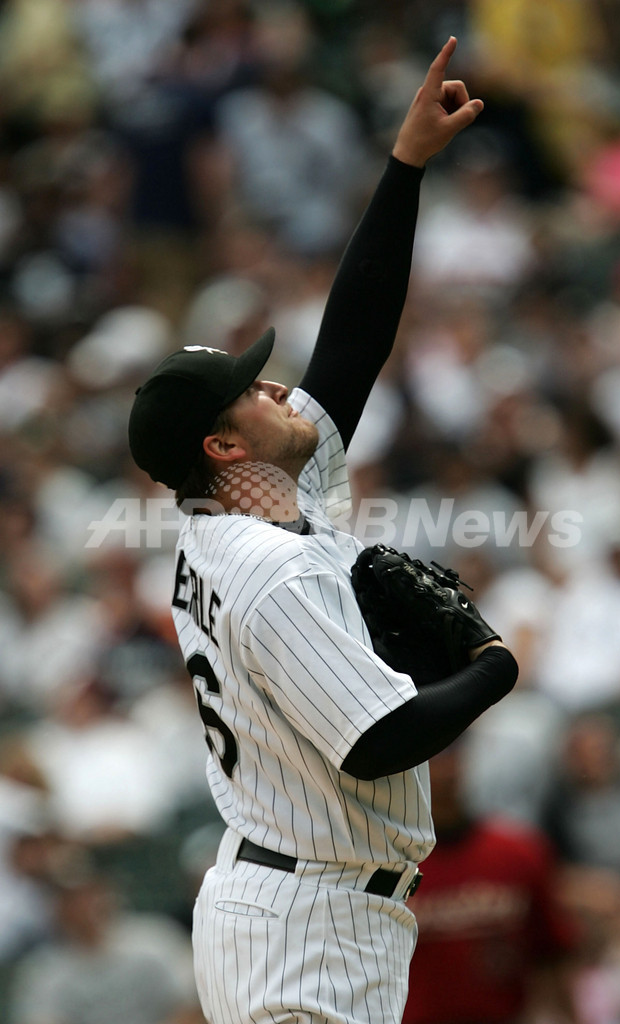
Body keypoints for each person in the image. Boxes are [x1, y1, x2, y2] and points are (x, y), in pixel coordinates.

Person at [128, 38, 519, 1024]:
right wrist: (492, 666)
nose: (275, 384)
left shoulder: (236, 511)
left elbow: (349, 347)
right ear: (223, 445)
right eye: (249, 389)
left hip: (297, 903)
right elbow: (378, 739)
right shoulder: (271, 565)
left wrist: (405, 166)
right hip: (306, 929)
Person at [402, 742, 581, 1024]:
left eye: (449, 757)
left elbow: (552, 952)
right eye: (431, 761)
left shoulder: (518, 852)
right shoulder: (389, 865)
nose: (442, 770)